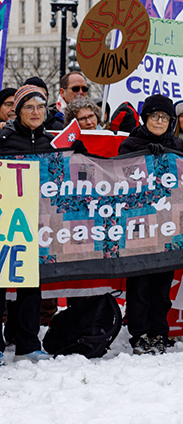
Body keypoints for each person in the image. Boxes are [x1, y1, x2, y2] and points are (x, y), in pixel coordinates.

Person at [117, 94, 183, 355]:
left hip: (166, 225)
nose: (159, 121)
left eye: (164, 117)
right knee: (140, 286)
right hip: (138, 226)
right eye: (154, 116)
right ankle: (139, 333)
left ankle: (159, 331)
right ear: (145, 118)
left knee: (162, 285)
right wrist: (145, 157)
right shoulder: (130, 143)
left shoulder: (177, 144)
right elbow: (120, 177)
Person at [0, 84, 58, 363]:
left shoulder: (50, 143)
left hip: (35, 224)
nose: (35, 112)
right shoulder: (4, 139)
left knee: (30, 287)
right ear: (18, 112)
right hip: (6, 223)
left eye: (40, 107)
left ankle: (28, 344)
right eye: (29, 107)